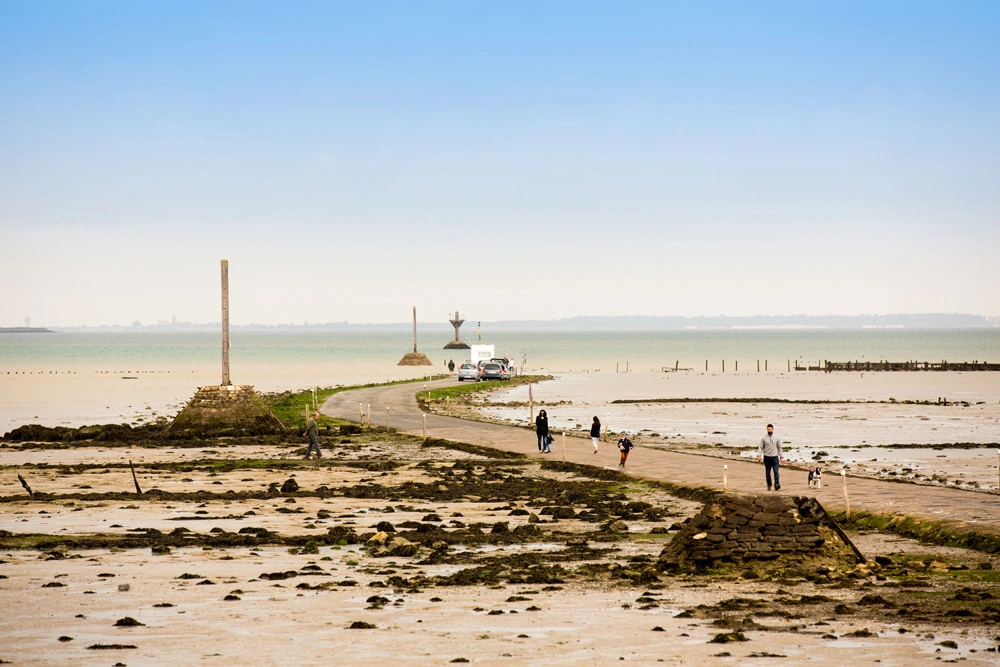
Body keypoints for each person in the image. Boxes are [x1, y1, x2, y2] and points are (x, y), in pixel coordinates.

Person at [756, 423, 784, 490]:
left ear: (773, 429)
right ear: (766, 429)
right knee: (768, 473)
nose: (769, 430)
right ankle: (769, 485)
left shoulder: (777, 438)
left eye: (770, 429)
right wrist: (759, 455)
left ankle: (777, 484)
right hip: (767, 457)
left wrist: (781, 457)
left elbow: (779, 447)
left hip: (775, 457)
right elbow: (761, 447)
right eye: (768, 429)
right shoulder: (764, 438)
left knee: (776, 471)